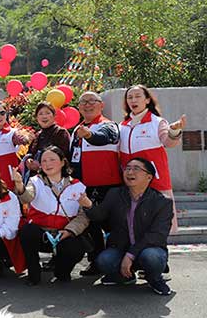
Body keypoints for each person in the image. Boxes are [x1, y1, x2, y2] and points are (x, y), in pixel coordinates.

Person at [80, 157, 174, 295]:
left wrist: (130, 255)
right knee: (104, 260)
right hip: (121, 248)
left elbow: (157, 235)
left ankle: (154, 278)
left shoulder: (162, 202)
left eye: (136, 169)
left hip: (147, 249)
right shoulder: (115, 194)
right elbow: (100, 215)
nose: (130, 172)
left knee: (152, 257)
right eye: (128, 168)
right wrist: (88, 205)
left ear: (149, 177)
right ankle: (124, 277)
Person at [13, 146, 90, 285]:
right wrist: (19, 185)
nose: (47, 164)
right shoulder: (35, 181)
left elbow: (83, 217)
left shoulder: (77, 185)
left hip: (64, 233)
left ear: (62, 162)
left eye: (52, 160)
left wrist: (69, 231)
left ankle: (62, 271)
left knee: (75, 247)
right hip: (41, 233)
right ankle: (33, 273)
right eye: (44, 161)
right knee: (27, 232)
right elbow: (27, 197)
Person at [119, 85, 185, 232]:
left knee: (157, 228)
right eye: (129, 97)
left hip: (155, 182)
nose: (133, 100)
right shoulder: (122, 126)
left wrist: (174, 131)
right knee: (133, 227)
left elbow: (169, 141)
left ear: (147, 100)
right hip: (130, 184)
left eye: (137, 96)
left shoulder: (157, 122)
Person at [70, 91, 121, 275]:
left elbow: (105, 138)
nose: (87, 104)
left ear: (101, 105)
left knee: (111, 227)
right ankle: (97, 262)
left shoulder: (109, 125)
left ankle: (117, 264)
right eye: (83, 102)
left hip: (109, 189)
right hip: (85, 189)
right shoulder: (76, 131)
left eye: (92, 101)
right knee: (91, 227)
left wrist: (89, 134)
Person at [24, 101, 71, 176]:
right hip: (38, 179)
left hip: (55, 177)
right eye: (40, 114)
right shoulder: (37, 135)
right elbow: (30, 153)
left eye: (47, 113)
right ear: (37, 118)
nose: (44, 116)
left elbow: (63, 156)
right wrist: (28, 161)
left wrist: (40, 166)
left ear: (54, 116)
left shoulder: (60, 132)